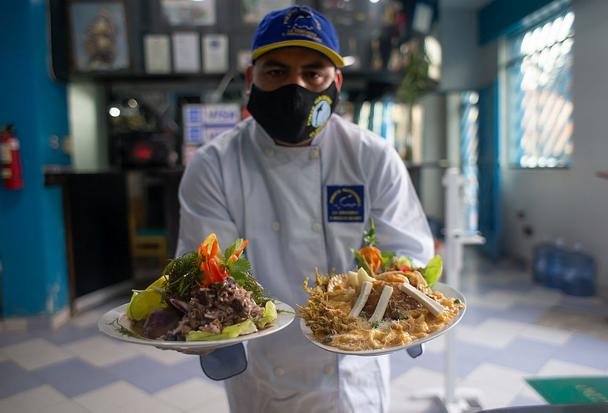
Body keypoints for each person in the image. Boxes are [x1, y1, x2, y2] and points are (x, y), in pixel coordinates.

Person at [175, 5, 434, 413]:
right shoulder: (214, 165)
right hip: (263, 376)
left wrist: (399, 294)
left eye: (313, 74)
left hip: (354, 372)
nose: (296, 88)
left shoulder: (371, 157)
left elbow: (410, 256)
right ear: (250, 80)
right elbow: (207, 278)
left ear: (336, 82)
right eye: (276, 72)